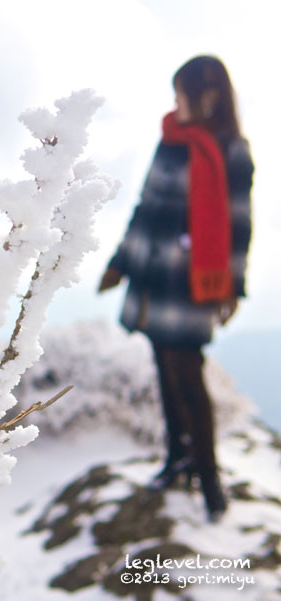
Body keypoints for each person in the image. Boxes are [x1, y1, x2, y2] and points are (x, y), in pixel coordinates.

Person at [98, 55, 254, 523]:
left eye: (181, 93)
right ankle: (176, 460)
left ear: (208, 95)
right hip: (153, 274)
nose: (176, 102)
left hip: (192, 281)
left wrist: (232, 286)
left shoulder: (231, 149)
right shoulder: (169, 140)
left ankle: (209, 479)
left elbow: (239, 223)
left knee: (187, 371)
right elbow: (145, 205)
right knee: (163, 368)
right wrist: (119, 262)